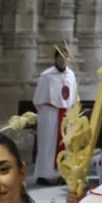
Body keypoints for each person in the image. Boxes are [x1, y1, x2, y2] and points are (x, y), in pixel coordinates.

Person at [32, 48, 78, 185]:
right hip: (49, 114)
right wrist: (47, 111)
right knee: (47, 144)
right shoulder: (46, 76)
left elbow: (74, 96)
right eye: (60, 57)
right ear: (55, 58)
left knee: (66, 144)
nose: (62, 60)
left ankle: (63, 174)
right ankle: (43, 174)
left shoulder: (71, 75)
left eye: (65, 58)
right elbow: (38, 99)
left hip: (67, 113)